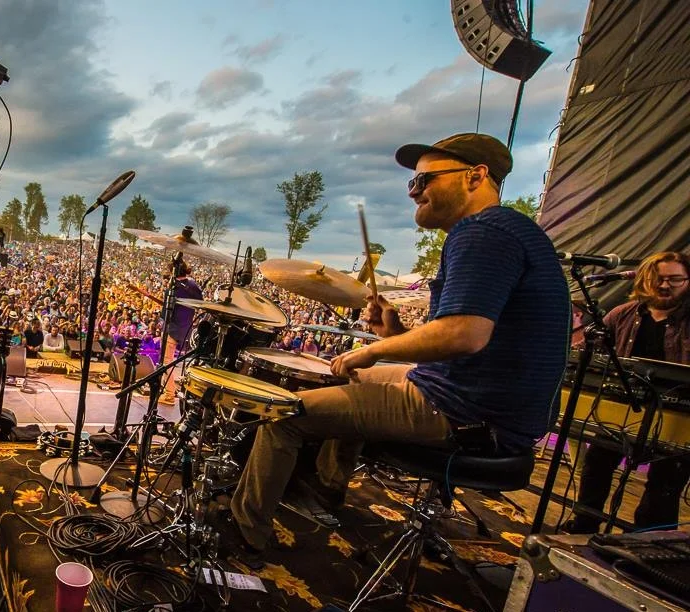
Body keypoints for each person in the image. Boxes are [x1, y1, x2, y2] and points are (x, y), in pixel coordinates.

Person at [225, 133, 569, 569]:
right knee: (339, 373)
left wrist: (374, 351)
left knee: (284, 416)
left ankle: (244, 533)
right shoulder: (507, 231)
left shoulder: (482, 232)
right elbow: (468, 343)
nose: (414, 192)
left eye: (423, 180)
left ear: (475, 177)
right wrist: (396, 334)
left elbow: (465, 335)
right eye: (411, 184)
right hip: (479, 396)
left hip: (471, 412)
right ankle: (324, 491)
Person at [565, 251, 690, 533]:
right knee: (596, 464)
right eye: (659, 278)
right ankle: (584, 524)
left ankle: (644, 544)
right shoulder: (623, 314)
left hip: (675, 420)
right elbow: (584, 351)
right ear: (646, 279)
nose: (665, 285)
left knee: (665, 483)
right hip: (619, 409)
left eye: (675, 279)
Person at [131, 258, 203, 404]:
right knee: (169, 361)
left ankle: (169, 394)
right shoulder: (194, 285)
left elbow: (166, 314)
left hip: (172, 328)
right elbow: (198, 304)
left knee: (166, 362)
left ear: (173, 272)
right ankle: (170, 390)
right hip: (185, 328)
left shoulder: (173, 288)